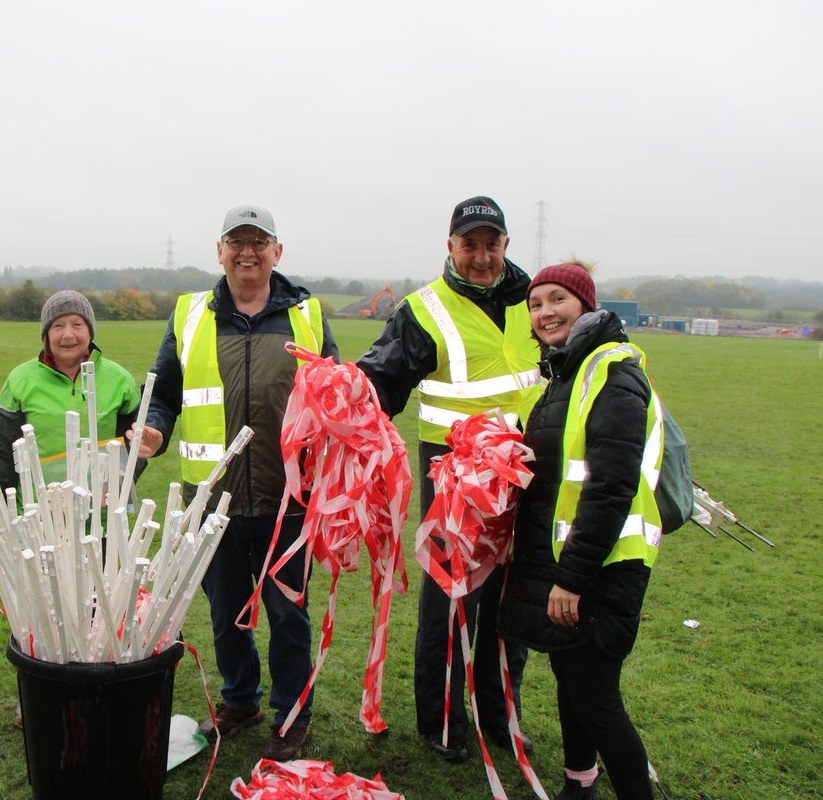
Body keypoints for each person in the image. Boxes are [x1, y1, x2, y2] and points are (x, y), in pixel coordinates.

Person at [128, 204, 339, 761]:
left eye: (259, 241)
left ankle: (291, 715)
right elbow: (165, 394)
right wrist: (152, 431)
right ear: (219, 251)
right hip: (211, 498)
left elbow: (335, 395)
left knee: (288, 614)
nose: (248, 251)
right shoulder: (190, 315)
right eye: (236, 242)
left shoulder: (308, 315)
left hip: (287, 496)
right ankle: (240, 699)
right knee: (226, 614)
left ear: (278, 251)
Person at [355, 195, 541, 762]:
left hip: (527, 476)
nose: (481, 257)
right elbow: (381, 383)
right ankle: (441, 722)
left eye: (492, 244)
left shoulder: (535, 301)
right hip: (454, 482)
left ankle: (498, 714)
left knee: (513, 603)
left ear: (507, 245)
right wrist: (342, 403)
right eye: (470, 245)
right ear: (450, 246)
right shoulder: (424, 309)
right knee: (452, 600)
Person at [500, 262, 660, 800]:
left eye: (557, 299)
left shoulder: (612, 372)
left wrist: (572, 577)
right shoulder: (565, 375)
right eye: (536, 304)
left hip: (602, 568)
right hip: (573, 563)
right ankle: (579, 785)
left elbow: (610, 487)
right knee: (571, 683)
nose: (545, 312)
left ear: (586, 305)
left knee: (595, 697)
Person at [0, 289, 141, 496]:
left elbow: (137, 444)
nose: (68, 335)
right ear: (46, 335)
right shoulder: (20, 379)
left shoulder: (120, 380)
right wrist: (6, 504)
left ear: (90, 331)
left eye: (77, 324)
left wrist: (121, 482)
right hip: (39, 515)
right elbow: (0, 448)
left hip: (103, 518)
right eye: (58, 326)